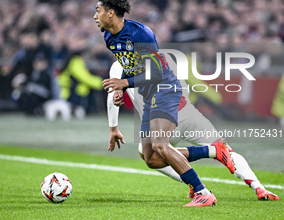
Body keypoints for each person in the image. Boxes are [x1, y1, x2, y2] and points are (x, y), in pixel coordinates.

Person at [95, 0, 228, 207]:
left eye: (97, 10)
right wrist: (121, 88)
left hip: (164, 89)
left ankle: (203, 192)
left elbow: (155, 72)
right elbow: (132, 67)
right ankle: (212, 151)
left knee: (160, 145)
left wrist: (124, 83)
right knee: (152, 159)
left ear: (110, 13)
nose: (94, 15)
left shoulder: (141, 34)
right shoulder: (109, 37)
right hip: (149, 95)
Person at [107, 58, 280, 201]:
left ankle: (197, 181)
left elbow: (112, 96)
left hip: (161, 118)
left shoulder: (118, 66)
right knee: (225, 148)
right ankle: (260, 188)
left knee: (150, 156)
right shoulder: (165, 58)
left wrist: (114, 128)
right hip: (188, 113)